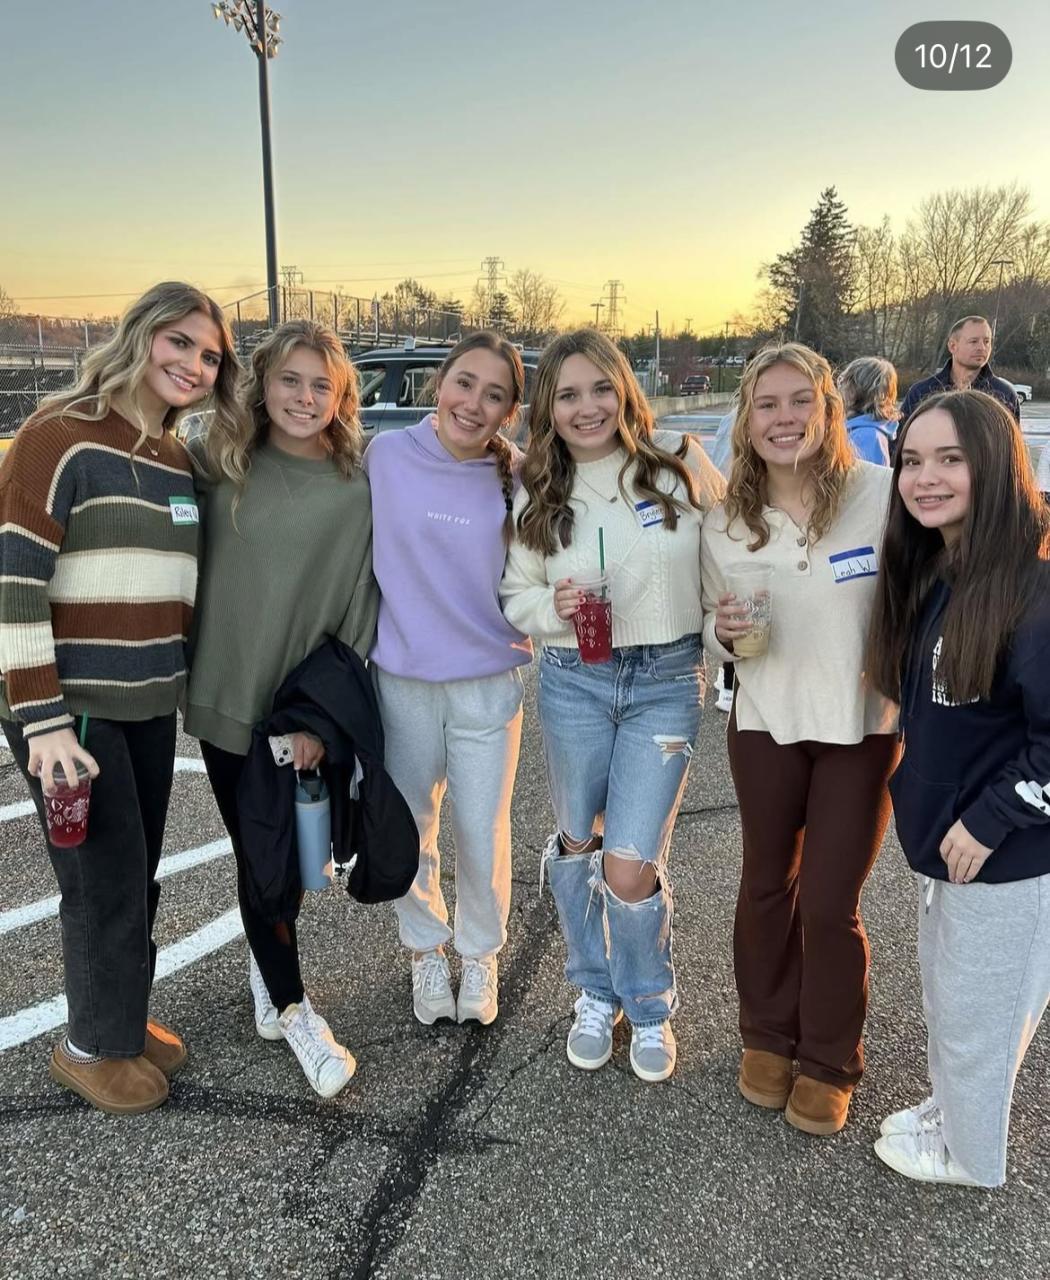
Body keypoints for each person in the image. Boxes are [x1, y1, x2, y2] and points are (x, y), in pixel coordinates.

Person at [0, 282, 241, 1114]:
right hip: (73, 711)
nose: (194, 364)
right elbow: (14, 584)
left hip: (144, 704)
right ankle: (89, 1047)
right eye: (180, 342)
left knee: (136, 876)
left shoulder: (174, 458)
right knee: (101, 879)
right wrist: (42, 721)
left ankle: (120, 1018)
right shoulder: (57, 437)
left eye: (210, 356)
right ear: (140, 335)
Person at [501, 328, 724, 1083]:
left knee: (628, 865)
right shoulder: (538, 486)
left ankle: (650, 1002)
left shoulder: (678, 462)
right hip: (576, 677)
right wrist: (554, 608)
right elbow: (516, 594)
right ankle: (594, 991)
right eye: (568, 394)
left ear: (625, 389)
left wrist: (727, 636)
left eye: (601, 388)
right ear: (549, 408)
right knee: (576, 843)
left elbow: (732, 557)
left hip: (666, 678)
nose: (587, 407)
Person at [700, 341, 900, 1134]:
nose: (784, 419)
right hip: (766, 722)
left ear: (829, 409)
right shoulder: (725, 520)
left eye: (800, 401)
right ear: (747, 420)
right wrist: (721, 632)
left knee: (828, 900)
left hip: (861, 726)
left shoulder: (881, 493)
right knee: (765, 885)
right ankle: (766, 1035)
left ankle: (827, 1059)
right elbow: (708, 624)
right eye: (767, 405)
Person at [185, 319, 377, 1099]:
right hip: (224, 693)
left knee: (287, 858)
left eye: (321, 385)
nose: (304, 397)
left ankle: (272, 972)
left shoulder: (355, 487)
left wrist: (320, 722)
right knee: (260, 852)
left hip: (299, 710)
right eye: (290, 380)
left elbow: (359, 611)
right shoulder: (219, 460)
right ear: (261, 384)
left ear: (341, 397)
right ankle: (294, 1006)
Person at [867, 389, 1050, 1188]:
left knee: (982, 1018)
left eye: (951, 459)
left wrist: (990, 819)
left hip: (1009, 856)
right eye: (912, 460)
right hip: (950, 845)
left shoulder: (1034, 591)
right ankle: (952, 1110)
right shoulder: (942, 570)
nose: (925, 478)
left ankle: (970, 1156)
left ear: (997, 467)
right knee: (950, 1000)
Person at [364, 332, 531, 1029]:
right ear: (440, 382)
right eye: (465, 383)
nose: (473, 403)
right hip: (401, 677)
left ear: (510, 411)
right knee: (410, 826)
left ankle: (481, 953)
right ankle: (425, 947)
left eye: (494, 395)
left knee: (482, 828)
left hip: (488, 680)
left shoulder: (517, 476)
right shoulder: (384, 455)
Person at [898, 315, 1020, 425]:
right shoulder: (921, 393)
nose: (982, 348)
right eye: (973, 341)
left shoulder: (1003, 394)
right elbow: (901, 439)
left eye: (986, 342)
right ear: (952, 346)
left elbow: (1014, 441)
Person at [837, 356, 898, 466]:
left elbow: (856, 476)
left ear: (854, 390)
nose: (839, 389)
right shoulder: (858, 431)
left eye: (842, 382)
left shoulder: (866, 437)